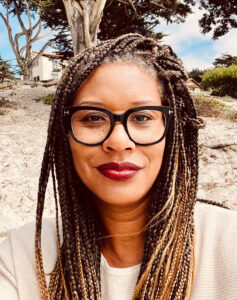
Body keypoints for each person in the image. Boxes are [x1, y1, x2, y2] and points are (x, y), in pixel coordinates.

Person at [0, 33, 237, 300]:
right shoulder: (21, 257)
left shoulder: (230, 244)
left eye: (142, 117)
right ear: (64, 135)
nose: (118, 141)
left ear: (173, 132)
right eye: (92, 117)